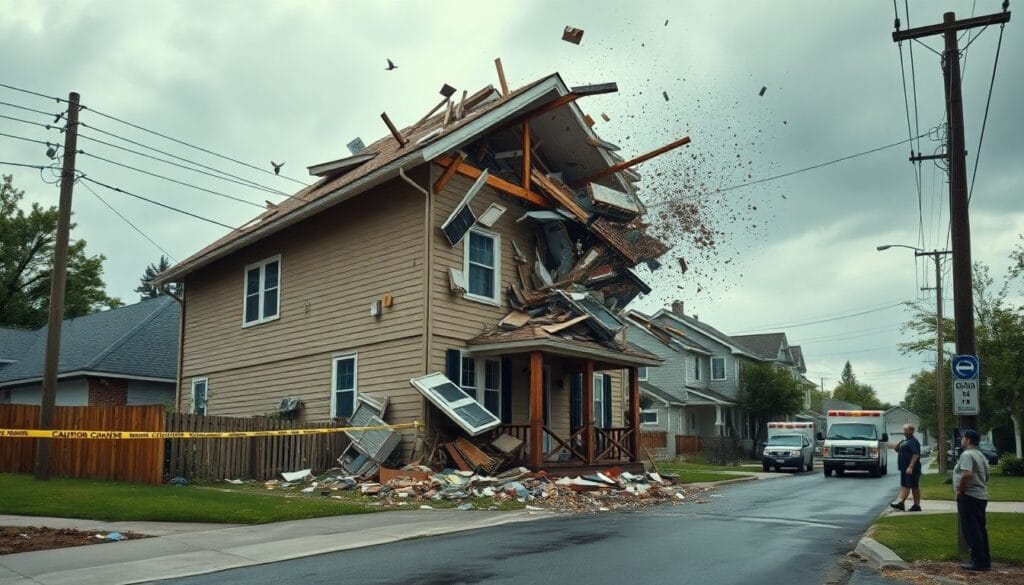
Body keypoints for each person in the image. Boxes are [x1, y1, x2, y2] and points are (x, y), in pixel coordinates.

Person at [954, 429, 991, 572]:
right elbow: (987, 476)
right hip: (981, 496)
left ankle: (978, 562)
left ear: (968, 440)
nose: (961, 440)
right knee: (980, 529)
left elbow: (967, 474)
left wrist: (961, 491)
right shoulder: (980, 455)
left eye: (963, 438)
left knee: (971, 530)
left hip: (969, 496)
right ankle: (983, 560)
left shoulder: (967, 454)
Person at [889, 424, 922, 512]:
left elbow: (916, 454)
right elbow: (897, 449)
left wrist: (911, 466)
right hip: (904, 468)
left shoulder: (913, 441)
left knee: (908, 486)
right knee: (912, 486)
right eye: (904, 430)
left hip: (911, 468)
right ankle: (916, 506)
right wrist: (899, 444)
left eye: (907, 430)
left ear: (912, 431)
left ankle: (901, 503)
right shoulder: (905, 441)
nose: (905, 432)